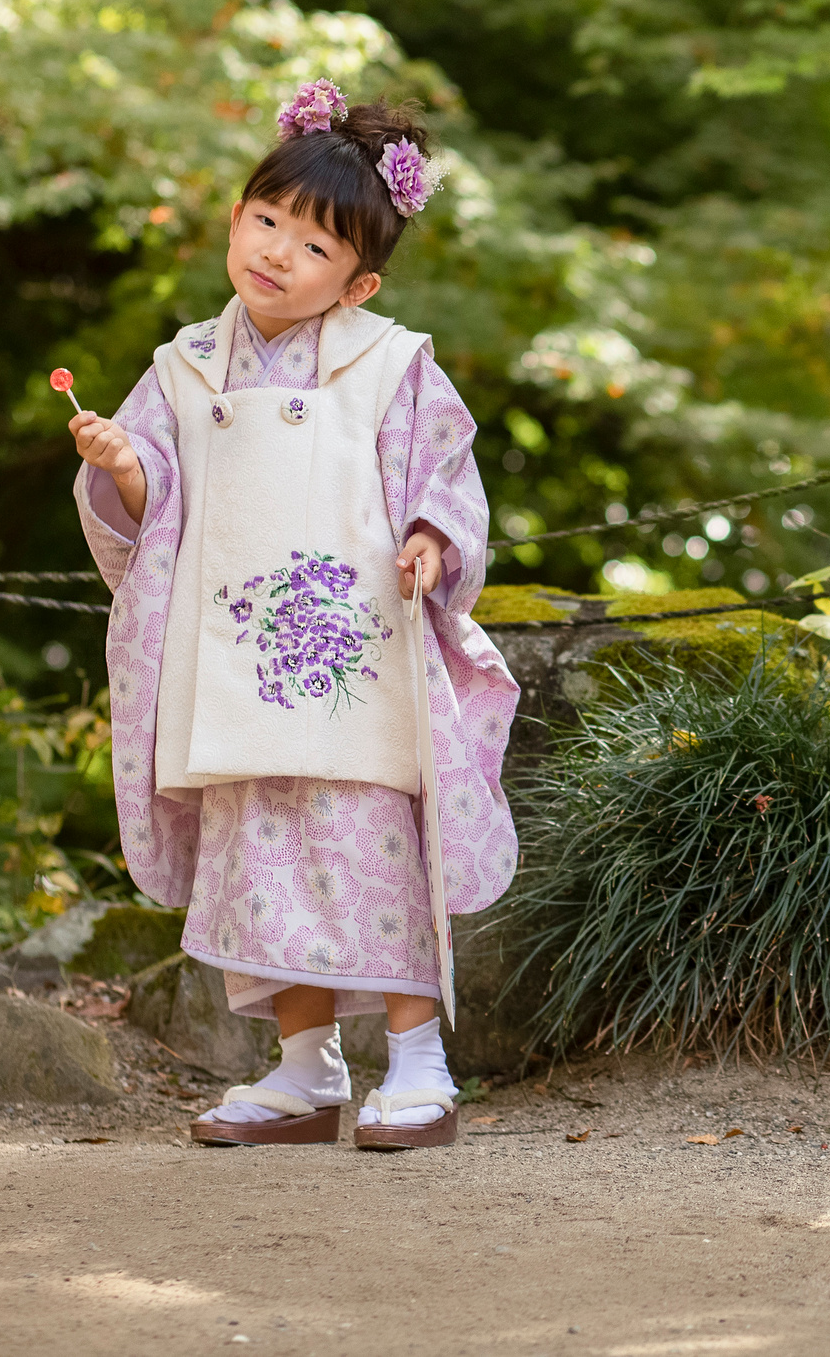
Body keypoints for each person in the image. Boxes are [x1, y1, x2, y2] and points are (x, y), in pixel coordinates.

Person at [66, 79, 518, 1149]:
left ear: (357, 281)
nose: (277, 252)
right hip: (230, 664)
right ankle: (305, 1069)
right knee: (259, 867)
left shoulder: (390, 364)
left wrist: (429, 540)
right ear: (236, 217)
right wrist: (126, 468)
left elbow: (442, 476)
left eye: (312, 247)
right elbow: (149, 511)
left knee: (367, 857)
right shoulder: (182, 368)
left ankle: (418, 1063)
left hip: (348, 651)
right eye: (265, 220)